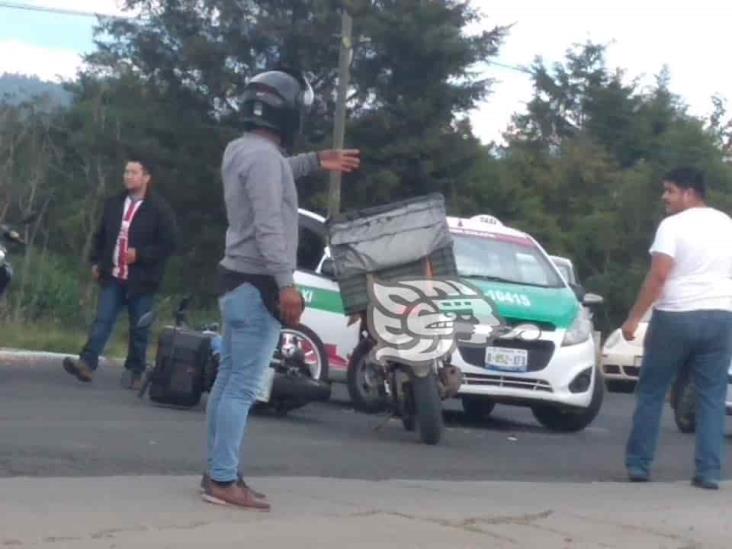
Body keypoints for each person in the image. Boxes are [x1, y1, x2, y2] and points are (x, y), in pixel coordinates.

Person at [201, 69, 360, 510]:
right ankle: (223, 479)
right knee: (242, 387)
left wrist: (315, 161)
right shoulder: (266, 160)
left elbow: (274, 172)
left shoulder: (240, 151)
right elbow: (271, 225)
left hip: (233, 279)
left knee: (228, 380)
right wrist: (287, 284)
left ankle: (216, 471)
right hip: (259, 284)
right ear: (289, 113)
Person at [623, 167, 732, 489]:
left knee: (652, 392)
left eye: (669, 191)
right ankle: (709, 472)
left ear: (689, 192)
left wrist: (634, 317)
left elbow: (659, 276)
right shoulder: (727, 224)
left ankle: (639, 465)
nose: (664, 198)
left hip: (676, 316)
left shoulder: (672, 227)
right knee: (711, 397)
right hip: (721, 316)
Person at [62, 156, 178, 389]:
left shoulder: (159, 209)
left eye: (133, 172)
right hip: (113, 275)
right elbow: (101, 235)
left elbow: (169, 244)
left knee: (139, 327)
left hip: (141, 279)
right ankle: (87, 363)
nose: (128, 176)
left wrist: (141, 255)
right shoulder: (114, 203)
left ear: (146, 177)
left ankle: (135, 371)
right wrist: (96, 261)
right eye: (126, 172)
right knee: (103, 320)